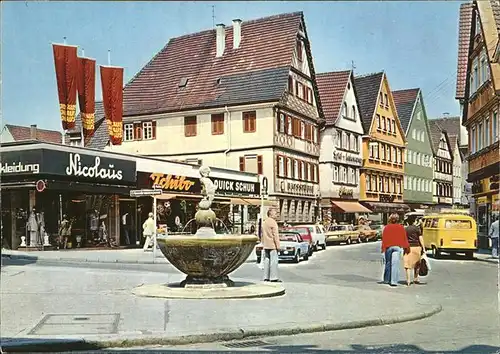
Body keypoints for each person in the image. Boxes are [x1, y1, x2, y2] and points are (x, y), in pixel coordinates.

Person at [381, 213, 409, 287]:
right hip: (397, 247)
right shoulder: (401, 227)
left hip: (388, 247)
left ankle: (387, 279)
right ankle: (393, 281)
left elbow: (384, 239)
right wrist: (406, 247)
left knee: (388, 263)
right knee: (395, 264)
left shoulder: (386, 228)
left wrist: (383, 249)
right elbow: (404, 238)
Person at [403, 215, 426, 286]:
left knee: (407, 264)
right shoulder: (417, 229)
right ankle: (415, 278)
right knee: (417, 263)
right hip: (417, 247)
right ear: (414, 221)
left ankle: (408, 280)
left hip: (408, 248)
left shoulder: (405, 229)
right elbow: (420, 239)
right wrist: (423, 248)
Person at [261, 208, 281, 282]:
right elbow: (276, 235)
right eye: (275, 213)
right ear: (271, 214)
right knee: (274, 261)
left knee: (266, 260)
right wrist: (278, 246)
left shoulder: (264, 222)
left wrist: (263, 243)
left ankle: (266, 277)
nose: (276, 215)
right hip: (272, 244)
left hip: (266, 244)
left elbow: (262, 234)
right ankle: (274, 277)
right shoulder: (273, 222)